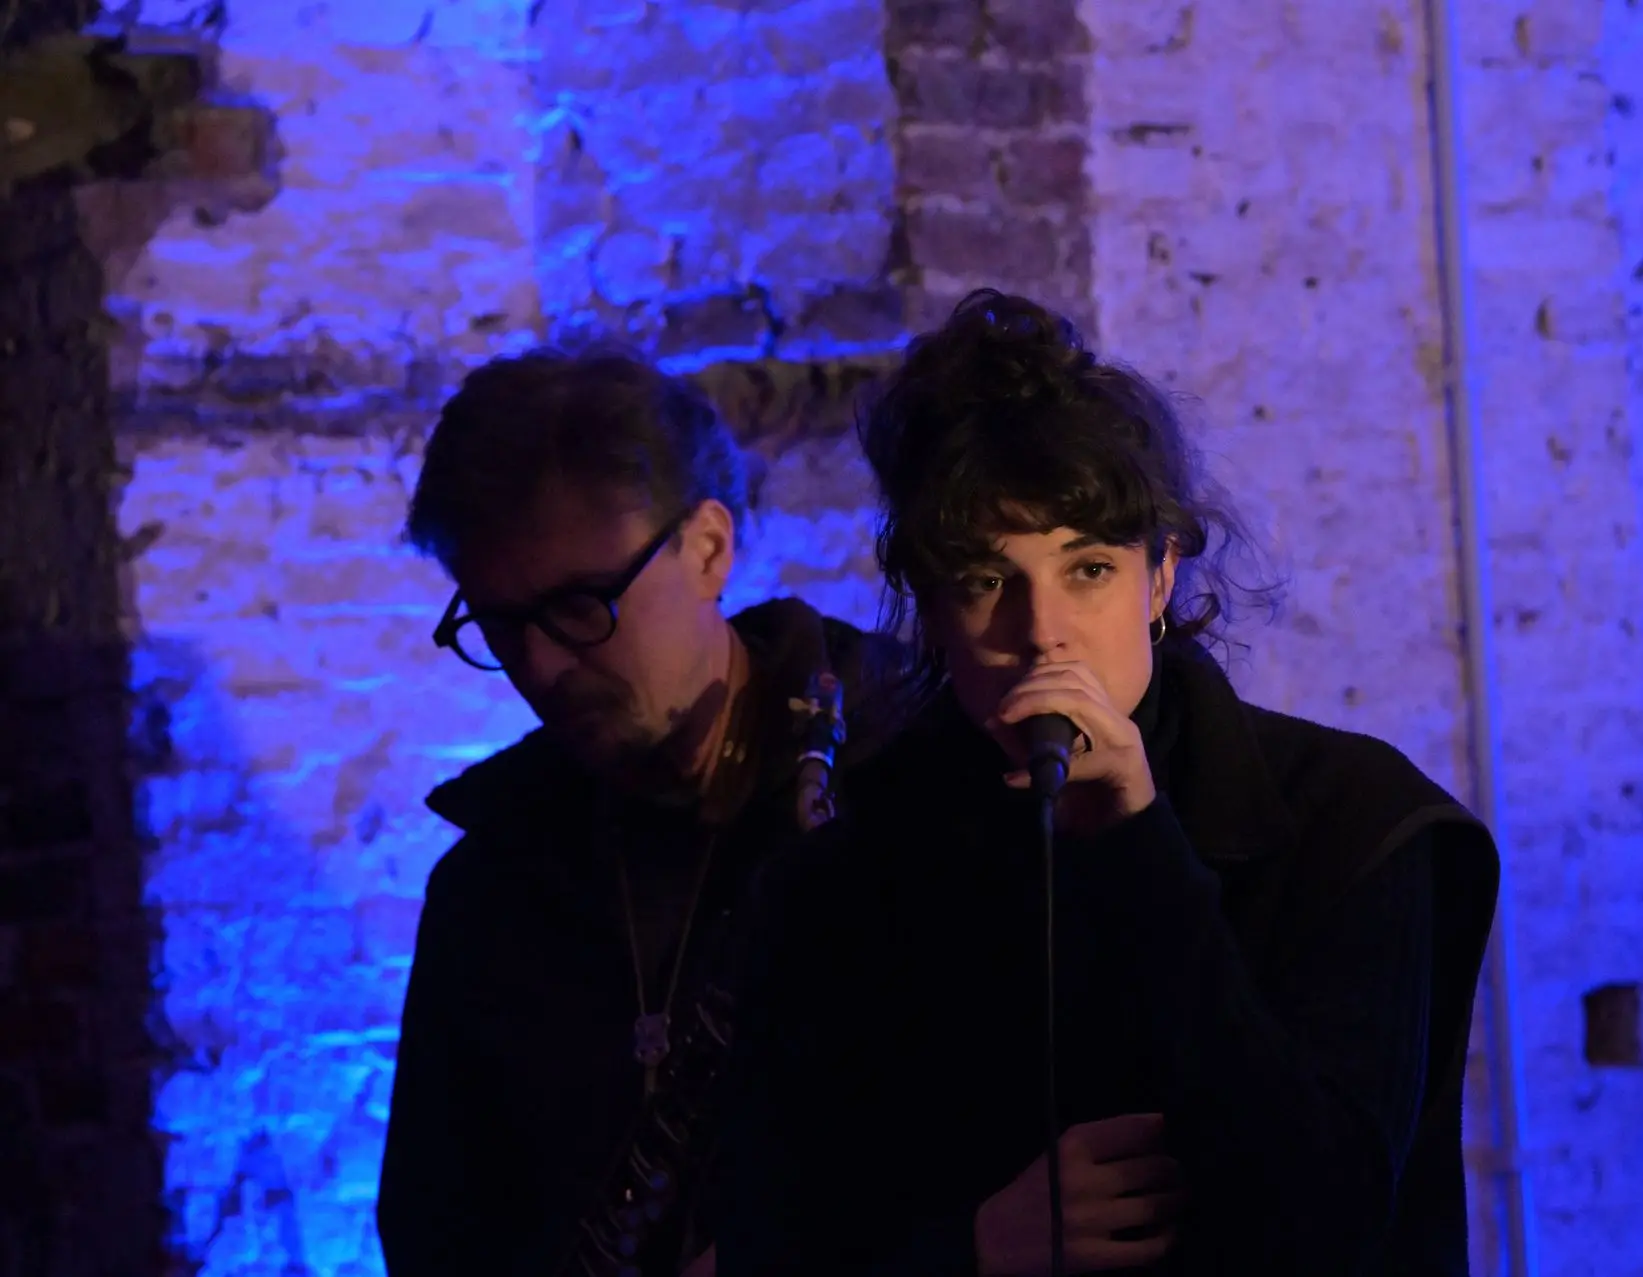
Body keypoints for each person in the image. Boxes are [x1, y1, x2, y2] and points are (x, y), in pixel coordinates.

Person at [709, 293, 1502, 1275]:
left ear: (1159, 579)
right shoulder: (841, 877)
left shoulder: (1351, 818)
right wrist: (970, 1250)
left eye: (1086, 569)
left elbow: (1330, 1217)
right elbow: (766, 1233)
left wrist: (1139, 840)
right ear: (932, 609)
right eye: (986, 581)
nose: (1042, 632)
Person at [376, 349, 911, 1276]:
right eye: (501, 625)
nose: (540, 667)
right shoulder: (486, 889)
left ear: (707, 548)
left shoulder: (904, 784)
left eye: (580, 605)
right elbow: (438, 1234)